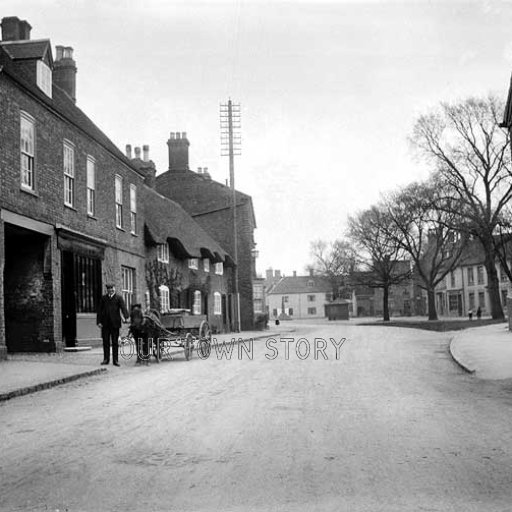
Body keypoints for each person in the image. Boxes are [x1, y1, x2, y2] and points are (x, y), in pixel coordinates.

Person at [97, 283, 129, 366]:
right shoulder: (104, 298)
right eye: (109, 288)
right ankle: (106, 359)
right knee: (105, 342)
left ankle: (115, 360)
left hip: (115, 324)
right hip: (105, 324)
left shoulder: (118, 298)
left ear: (114, 288)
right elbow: (99, 311)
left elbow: (123, 308)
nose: (111, 290)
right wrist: (99, 322)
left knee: (115, 342)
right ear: (107, 290)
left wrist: (126, 317)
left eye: (112, 288)